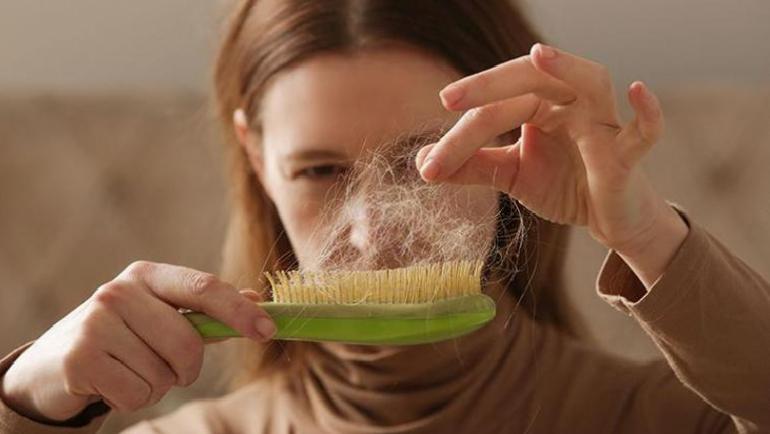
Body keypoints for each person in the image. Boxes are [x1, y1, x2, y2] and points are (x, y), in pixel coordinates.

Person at [1, 1, 769, 433]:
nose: (374, 231)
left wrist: (644, 232)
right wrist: (25, 400)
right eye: (321, 170)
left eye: (430, 160)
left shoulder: (670, 421)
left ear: (514, 143)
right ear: (257, 156)